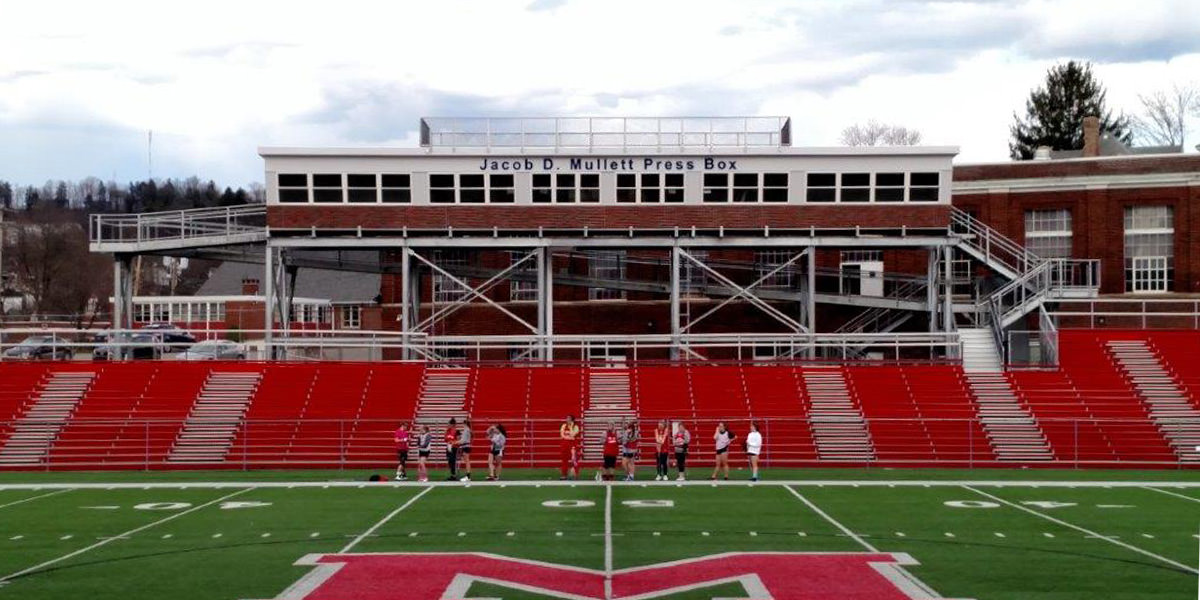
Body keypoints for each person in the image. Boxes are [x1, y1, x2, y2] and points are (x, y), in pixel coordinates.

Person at [559, 415, 581, 480]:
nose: (567, 419)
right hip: (564, 444)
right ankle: (564, 475)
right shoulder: (563, 425)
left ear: (572, 420)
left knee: (574, 459)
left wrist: (571, 426)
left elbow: (573, 434)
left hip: (572, 444)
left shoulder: (575, 426)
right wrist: (568, 436)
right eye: (567, 418)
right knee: (564, 460)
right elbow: (562, 434)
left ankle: (575, 475)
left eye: (569, 418)